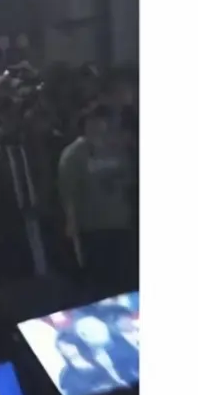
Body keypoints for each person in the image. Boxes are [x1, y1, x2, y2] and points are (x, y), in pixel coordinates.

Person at [57, 104, 136, 287]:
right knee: (100, 278)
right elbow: (68, 191)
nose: (99, 126)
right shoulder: (74, 154)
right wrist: (71, 224)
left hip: (120, 222)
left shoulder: (116, 148)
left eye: (102, 121)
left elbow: (128, 177)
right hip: (92, 227)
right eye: (93, 121)